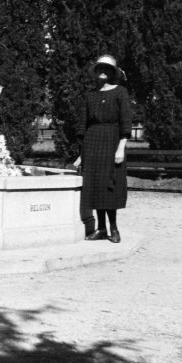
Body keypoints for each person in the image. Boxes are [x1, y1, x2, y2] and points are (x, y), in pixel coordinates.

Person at [73, 54, 132, 243]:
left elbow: (126, 121)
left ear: (113, 73)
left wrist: (120, 148)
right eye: (100, 69)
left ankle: (114, 229)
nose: (103, 72)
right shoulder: (90, 95)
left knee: (109, 186)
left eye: (108, 69)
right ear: (96, 72)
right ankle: (100, 229)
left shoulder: (120, 92)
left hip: (113, 141)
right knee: (95, 186)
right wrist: (82, 154)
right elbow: (83, 124)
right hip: (92, 144)